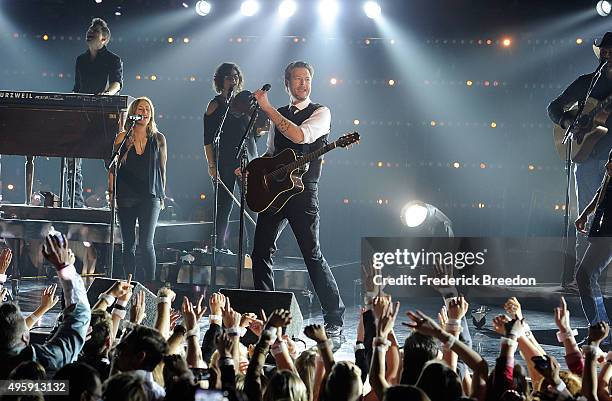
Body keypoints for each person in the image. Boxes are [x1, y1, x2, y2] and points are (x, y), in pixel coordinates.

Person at [250, 60, 345, 346]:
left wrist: (265, 107)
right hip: (275, 192)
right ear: (287, 83)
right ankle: (267, 313)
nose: (304, 84)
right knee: (260, 251)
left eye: (307, 79)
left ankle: (334, 318)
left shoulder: (321, 112)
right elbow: (272, 153)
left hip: (303, 192)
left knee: (312, 255)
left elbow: (300, 135)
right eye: (298, 79)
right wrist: (254, 171)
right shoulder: (278, 114)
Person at [548, 31, 612, 291]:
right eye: (605, 51)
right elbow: (554, 107)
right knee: (585, 217)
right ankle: (580, 278)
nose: (608, 54)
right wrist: (569, 122)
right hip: (586, 159)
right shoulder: (587, 83)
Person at [0, 232, 91, 378]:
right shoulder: (42, 365)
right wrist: (65, 268)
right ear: (25, 338)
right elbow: (79, 316)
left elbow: (78, 319)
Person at [203, 62, 263, 251]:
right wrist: (211, 166)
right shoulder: (215, 104)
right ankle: (219, 246)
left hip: (247, 160)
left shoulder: (246, 102)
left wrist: (261, 127)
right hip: (225, 161)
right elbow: (208, 140)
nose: (233, 79)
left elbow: (255, 133)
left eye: (236, 76)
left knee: (251, 206)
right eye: (229, 76)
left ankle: (255, 249)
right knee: (224, 205)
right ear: (221, 80)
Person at [108, 97, 167, 283]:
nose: (145, 112)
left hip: (150, 195)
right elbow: (113, 168)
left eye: (148, 109)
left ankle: (150, 286)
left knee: (146, 243)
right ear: (134, 112)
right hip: (126, 195)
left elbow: (162, 169)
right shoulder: (122, 137)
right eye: (141, 109)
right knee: (128, 244)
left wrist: (162, 194)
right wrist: (111, 193)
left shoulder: (159, 139)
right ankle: (129, 283)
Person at [70, 17, 123, 208]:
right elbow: (77, 87)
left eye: (95, 30)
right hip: (82, 113)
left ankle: (115, 202)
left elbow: (117, 83)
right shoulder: (81, 60)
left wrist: (107, 94)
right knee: (73, 158)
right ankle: (75, 203)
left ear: (104, 39)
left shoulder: (113, 59)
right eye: (89, 29)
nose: (90, 32)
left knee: (110, 159)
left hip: (104, 113)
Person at [574, 153, 612, 334]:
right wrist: (585, 214)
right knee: (585, 276)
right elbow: (602, 190)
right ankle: (601, 329)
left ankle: (600, 330)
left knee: (585, 276)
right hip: (603, 228)